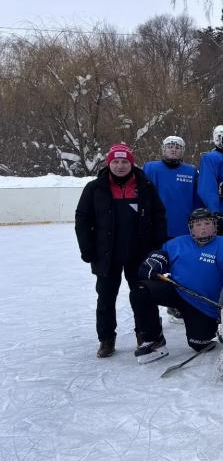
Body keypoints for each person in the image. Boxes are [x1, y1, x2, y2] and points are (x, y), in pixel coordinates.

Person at [75, 142, 167, 358]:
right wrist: (87, 249)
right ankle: (106, 338)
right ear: (109, 163)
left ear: (131, 163)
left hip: (139, 253)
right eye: (115, 161)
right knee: (106, 297)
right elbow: (82, 219)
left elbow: (159, 216)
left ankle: (146, 334)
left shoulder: (145, 186)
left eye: (124, 161)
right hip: (106, 254)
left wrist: (157, 248)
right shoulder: (94, 188)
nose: (120, 166)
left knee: (143, 294)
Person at [133, 208, 223, 363]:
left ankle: (208, 328)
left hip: (203, 305)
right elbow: (161, 255)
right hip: (177, 291)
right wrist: (155, 260)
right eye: (198, 224)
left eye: (207, 223)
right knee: (141, 290)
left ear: (215, 225)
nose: (203, 228)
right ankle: (154, 340)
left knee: (200, 344)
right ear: (191, 228)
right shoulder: (176, 243)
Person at [143, 135, 200, 239]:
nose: (174, 150)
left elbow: (197, 198)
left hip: (182, 225)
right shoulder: (150, 168)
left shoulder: (191, 171)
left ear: (182, 151)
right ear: (164, 149)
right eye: (170, 147)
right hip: (155, 224)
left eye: (177, 147)